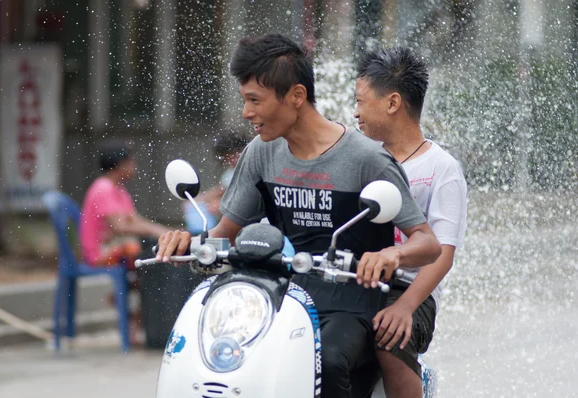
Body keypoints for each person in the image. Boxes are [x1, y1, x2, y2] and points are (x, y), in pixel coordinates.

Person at [156, 34, 441, 398]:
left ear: (296, 96)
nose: (247, 113)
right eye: (245, 101)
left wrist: (391, 254)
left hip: (354, 299)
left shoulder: (366, 159)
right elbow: (224, 234)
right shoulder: (261, 153)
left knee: (329, 359)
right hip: (287, 296)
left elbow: (427, 242)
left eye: (254, 101)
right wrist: (188, 242)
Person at [354, 48, 468, 397]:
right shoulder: (359, 157)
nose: (355, 113)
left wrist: (405, 307)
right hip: (356, 279)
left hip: (409, 292)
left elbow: (442, 254)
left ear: (392, 103)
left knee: (387, 338)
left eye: (360, 102)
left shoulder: (441, 168)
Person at [80, 139, 174, 343]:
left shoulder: (118, 189)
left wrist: (164, 231)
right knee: (151, 262)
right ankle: (131, 316)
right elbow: (120, 226)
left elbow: (134, 220)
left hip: (115, 248)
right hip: (100, 252)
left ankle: (130, 311)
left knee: (153, 263)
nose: (135, 167)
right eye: (132, 162)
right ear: (119, 164)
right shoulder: (104, 188)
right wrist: (160, 231)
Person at [182, 131, 250, 234]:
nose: (232, 160)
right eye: (227, 157)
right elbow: (220, 190)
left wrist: (222, 205)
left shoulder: (252, 168)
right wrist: (198, 199)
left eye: (235, 154)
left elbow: (246, 196)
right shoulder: (230, 172)